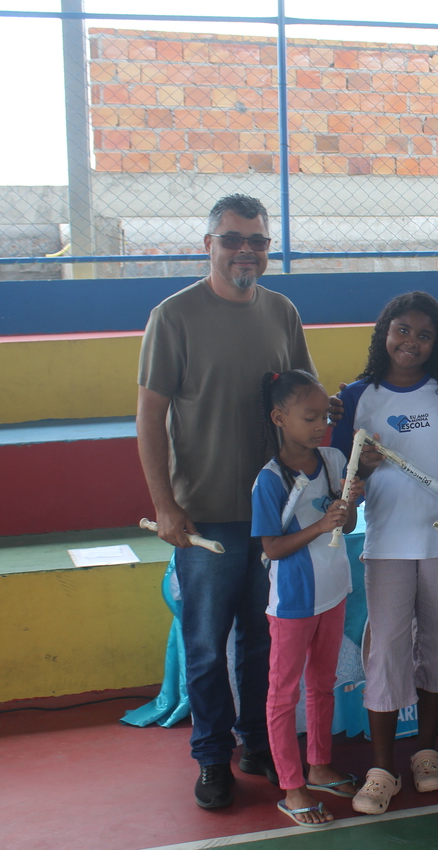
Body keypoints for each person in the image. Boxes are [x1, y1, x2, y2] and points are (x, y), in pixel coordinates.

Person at [136, 194, 314, 809]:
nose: (246, 251)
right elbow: (150, 418)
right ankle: (212, 757)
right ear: (209, 245)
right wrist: (165, 505)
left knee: (263, 641)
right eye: (233, 239)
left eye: (257, 241)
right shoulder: (173, 316)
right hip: (205, 515)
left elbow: (305, 401)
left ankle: (256, 743)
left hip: (274, 516)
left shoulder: (283, 312)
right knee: (208, 644)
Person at [330, 292, 438, 815]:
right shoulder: (356, 396)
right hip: (388, 542)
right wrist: (364, 467)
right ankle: (381, 769)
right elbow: (341, 478)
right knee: (387, 649)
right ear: (383, 333)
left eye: (424, 334)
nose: (411, 342)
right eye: (402, 330)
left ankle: (426, 752)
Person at [253, 371, 361, 828]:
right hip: (294, 602)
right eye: (309, 417)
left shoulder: (335, 459)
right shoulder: (269, 480)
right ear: (280, 418)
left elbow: (347, 525)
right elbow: (272, 548)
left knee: (322, 683)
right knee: (283, 694)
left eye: (324, 418)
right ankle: (291, 786)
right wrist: (319, 525)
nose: (320, 426)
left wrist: (349, 505)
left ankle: (319, 766)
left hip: (334, 590)